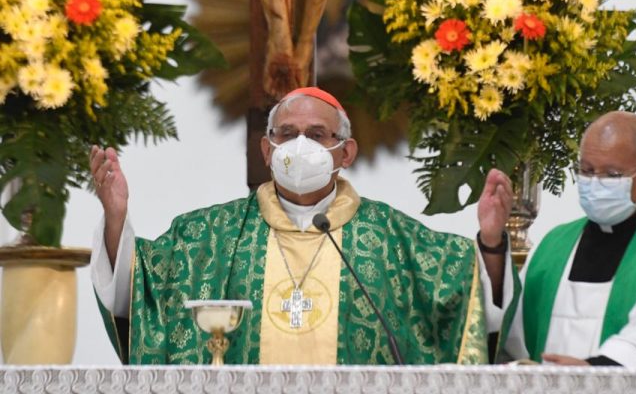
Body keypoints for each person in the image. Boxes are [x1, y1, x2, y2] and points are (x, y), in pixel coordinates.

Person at [90, 87, 519, 365]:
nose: (299, 145)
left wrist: (493, 241)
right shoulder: (208, 236)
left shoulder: (394, 241)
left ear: (346, 152)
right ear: (266, 148)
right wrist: (116, 219)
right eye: (287, 133)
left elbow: (467, 297)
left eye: (317, 135)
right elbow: (140, 288)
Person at [503, 111, 636, 366]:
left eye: (612, 175)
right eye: (587, 170)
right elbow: (508, 336)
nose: (595, 183)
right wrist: (492, 242)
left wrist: (593, 372)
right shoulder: (554, 244)